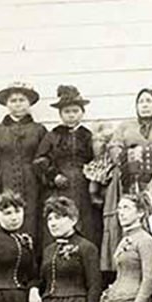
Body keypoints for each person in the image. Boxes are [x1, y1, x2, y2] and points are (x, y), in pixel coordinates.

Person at [106, 88, 152, 271]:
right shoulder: (125, 127)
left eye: (149, 101)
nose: (145, 105)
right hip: (129, 182)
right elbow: (114, 147)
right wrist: (128, 158)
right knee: (128, 218)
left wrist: (138, 152)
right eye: (141, 102)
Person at [34, 85, 97, 247]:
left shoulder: (88, 135)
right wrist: (54, 176)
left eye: (75, 111)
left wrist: (93, 176)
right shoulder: (53, 135)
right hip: (60, 187)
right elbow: (40, 160)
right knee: (60, 217)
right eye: (67, 112)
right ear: (61, 114)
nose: (71, 115)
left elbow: (95, 158)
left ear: (82, 113)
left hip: (83, 186)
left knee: (84, 223)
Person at [0, 81, 47, 245]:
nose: (17, 104)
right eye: (13, 100)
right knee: (6, 217)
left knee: (31, 222)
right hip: (5, 182)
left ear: (29, 103)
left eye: (22, 100)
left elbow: (46, 157)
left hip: (32, 185)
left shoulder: (39, 130)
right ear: (7, 104)